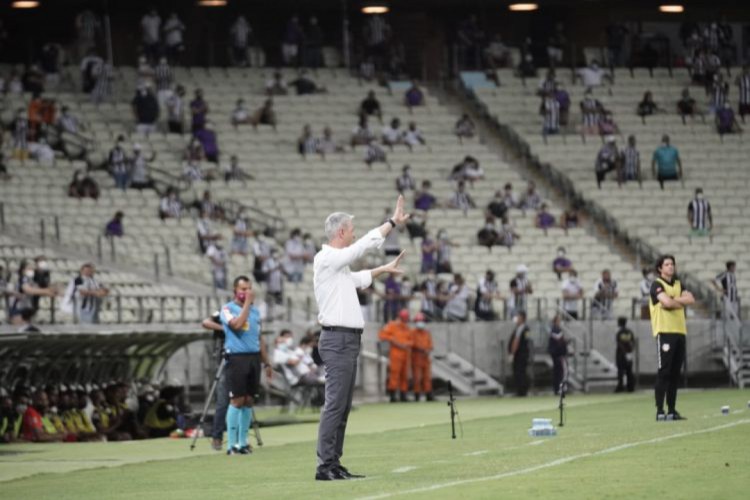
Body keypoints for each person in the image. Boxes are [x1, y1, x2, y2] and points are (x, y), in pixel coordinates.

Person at [313, 201, 409, 478]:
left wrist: (384, 268)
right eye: (352, 229)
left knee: (341, 406)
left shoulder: (335, 266)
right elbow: (360, 248)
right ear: (341, 231)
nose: (354, 234)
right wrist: (391, 223)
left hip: (346, 340)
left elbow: (356, 278)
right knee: (335, 405)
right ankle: (325, 466)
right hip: (337, 340)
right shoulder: (328, 257)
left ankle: (333, 463)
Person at [220, 276, 272, 454]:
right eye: (242, 289)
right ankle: (231, 444)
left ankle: (243, 442)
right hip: (236, 357)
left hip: (253, 357)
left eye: (249, 289)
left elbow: (259, 337)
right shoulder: (227, 309)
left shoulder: (256, 312)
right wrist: (247, 305)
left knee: (249, 400)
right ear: (235, 290)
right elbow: (236, 324)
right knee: (237, 400)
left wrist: (267, 362)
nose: (246, 292)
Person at [649, 255, 694, 421]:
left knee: (675, 373)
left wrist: (673, 300)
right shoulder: (656, 285)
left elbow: (691, 299)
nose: (670, 267)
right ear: (660, 268)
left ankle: (672, 410)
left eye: (672, 264)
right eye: (667, 264)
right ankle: (660, 410)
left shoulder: (678, 284)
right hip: (665, 332)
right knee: (664, 372)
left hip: (680, 332)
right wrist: (679, 302)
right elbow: (666, 303)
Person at [378, 309, 413, 403]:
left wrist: (406, 344)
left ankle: (403, 395)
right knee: (395, 374)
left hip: (405, 354)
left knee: (404, 375)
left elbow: (411, 340)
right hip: (396, 354)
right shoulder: (392, 325)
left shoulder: (407, 328)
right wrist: (393, 340)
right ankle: (393, 396)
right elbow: (382, 335)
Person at [410, 313, 434, 401]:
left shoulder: (427, 333)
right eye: (418, 321)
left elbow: (430, 344)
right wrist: (420, 348)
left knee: (427, 377)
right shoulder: (413, 332)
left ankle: (429, 394)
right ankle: (417, 395)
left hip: (425, 357)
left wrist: (428, 349)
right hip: (416, 356)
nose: (420, 323)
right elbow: (412, 343)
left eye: (421, 321)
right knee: (417, 377)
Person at [508, 311, 531, 397]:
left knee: (519, 373)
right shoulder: (526, 329)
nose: (517, 319)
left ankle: (521, 391)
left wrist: (512, 354)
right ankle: (522, 391)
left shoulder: (521, 328)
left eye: (518, 317)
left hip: (519, 355)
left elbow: (516, 341)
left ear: (522, 318)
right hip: (524, 354)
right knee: (522, 372)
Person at [614, 317, 636, 393]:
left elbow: (619, 343)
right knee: (629, 370)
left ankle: (620, 386)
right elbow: (633, 342)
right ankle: (631, 387)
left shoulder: (619, 332)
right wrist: (630, 352)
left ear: (619, 323)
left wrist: (624, 352)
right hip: (629, 354)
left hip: (621, 354)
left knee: (620, 371)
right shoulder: (630, 332)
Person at [548, 314, 568, 395]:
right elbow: (559, 340)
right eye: (559, 320)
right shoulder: (556, 330)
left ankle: (557, 388)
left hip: (555, 353)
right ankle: (561, 388)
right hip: (558, 354)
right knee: (562, 372)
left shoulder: (553, 330)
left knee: (557, 372)